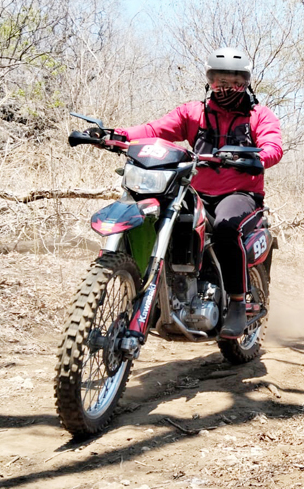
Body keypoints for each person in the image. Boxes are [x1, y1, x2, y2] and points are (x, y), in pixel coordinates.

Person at [113, 47, 283, 339]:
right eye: (219, 81)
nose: (226, 88)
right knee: (158, 217)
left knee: (227, 229)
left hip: (240, 193)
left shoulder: (259, 115)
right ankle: (154, 294)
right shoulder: (194, 113)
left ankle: (238, 303)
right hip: (195, 191)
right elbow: (156, 129)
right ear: (210, 81)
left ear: (245, 82)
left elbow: (273, 145)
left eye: (234, 82)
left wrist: (258, 156)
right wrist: (117, 134)